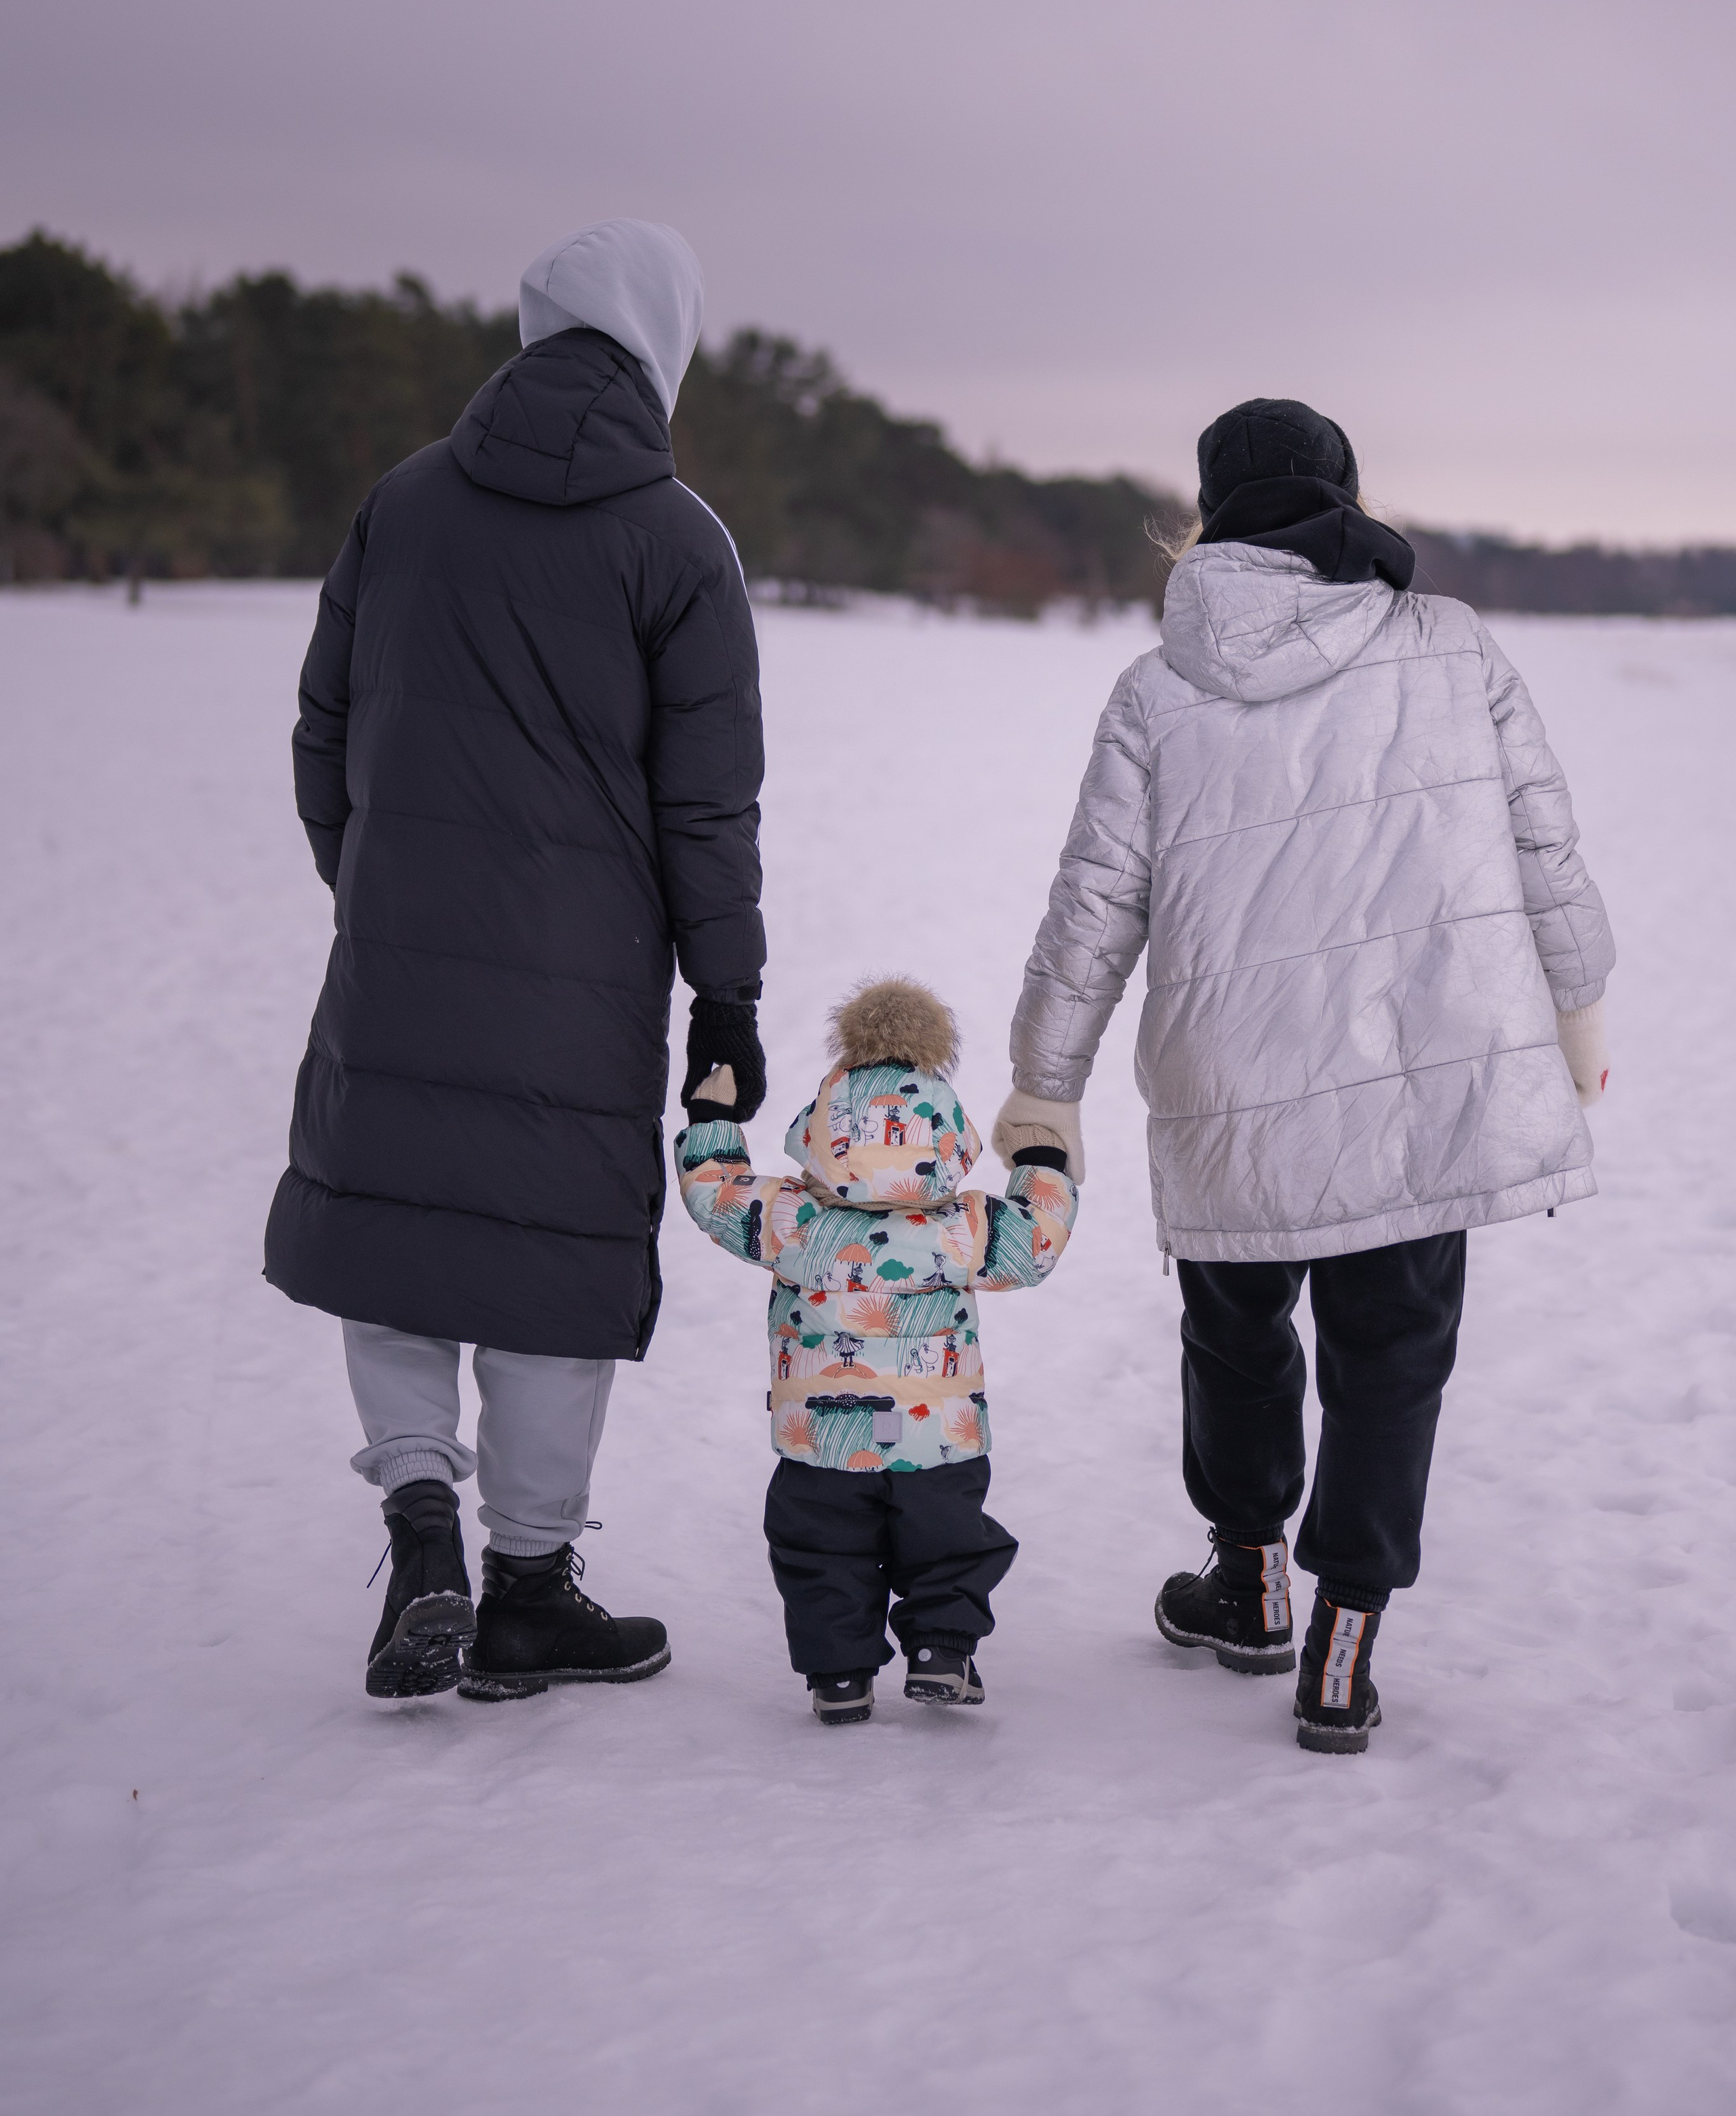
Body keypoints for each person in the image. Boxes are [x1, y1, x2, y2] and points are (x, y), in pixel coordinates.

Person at [994, 398, 1614, 1753]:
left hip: (1230, 1081)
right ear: (1343, 496)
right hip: (1424, 1068)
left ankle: (1247, 1580)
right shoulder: (1450, 642)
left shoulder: (1157, 687)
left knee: (1235, 1333)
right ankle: (1343, 1643)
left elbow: (1094, 900)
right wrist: (1576, 1000)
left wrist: (1046, 1080)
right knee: (1391, 1357)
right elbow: (1543, 843)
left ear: (1210, 514)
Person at [264, 220, 770, 1700]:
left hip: (401, 950)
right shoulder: (680, 539)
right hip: (583, 977)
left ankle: (421, 1516)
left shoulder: (405, 500)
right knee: (552, 1260)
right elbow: (707, 803)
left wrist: (372, 884)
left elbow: (322, 726)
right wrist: (726, 993)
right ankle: (530, 1590)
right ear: (665, 342)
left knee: (399, 1224)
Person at [675, 979, 1078, 1725]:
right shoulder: (964, 1227)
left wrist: (713, 1120)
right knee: (948, 1545)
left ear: (824, 1129)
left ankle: (838, 1676)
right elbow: (1036, 1242)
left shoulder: (792, 1218)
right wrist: (1042, 1160)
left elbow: (715, 1194)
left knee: (821, 1550)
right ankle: (942, 1651)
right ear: (946, 1135)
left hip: (821, 1438)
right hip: (939, 1437)